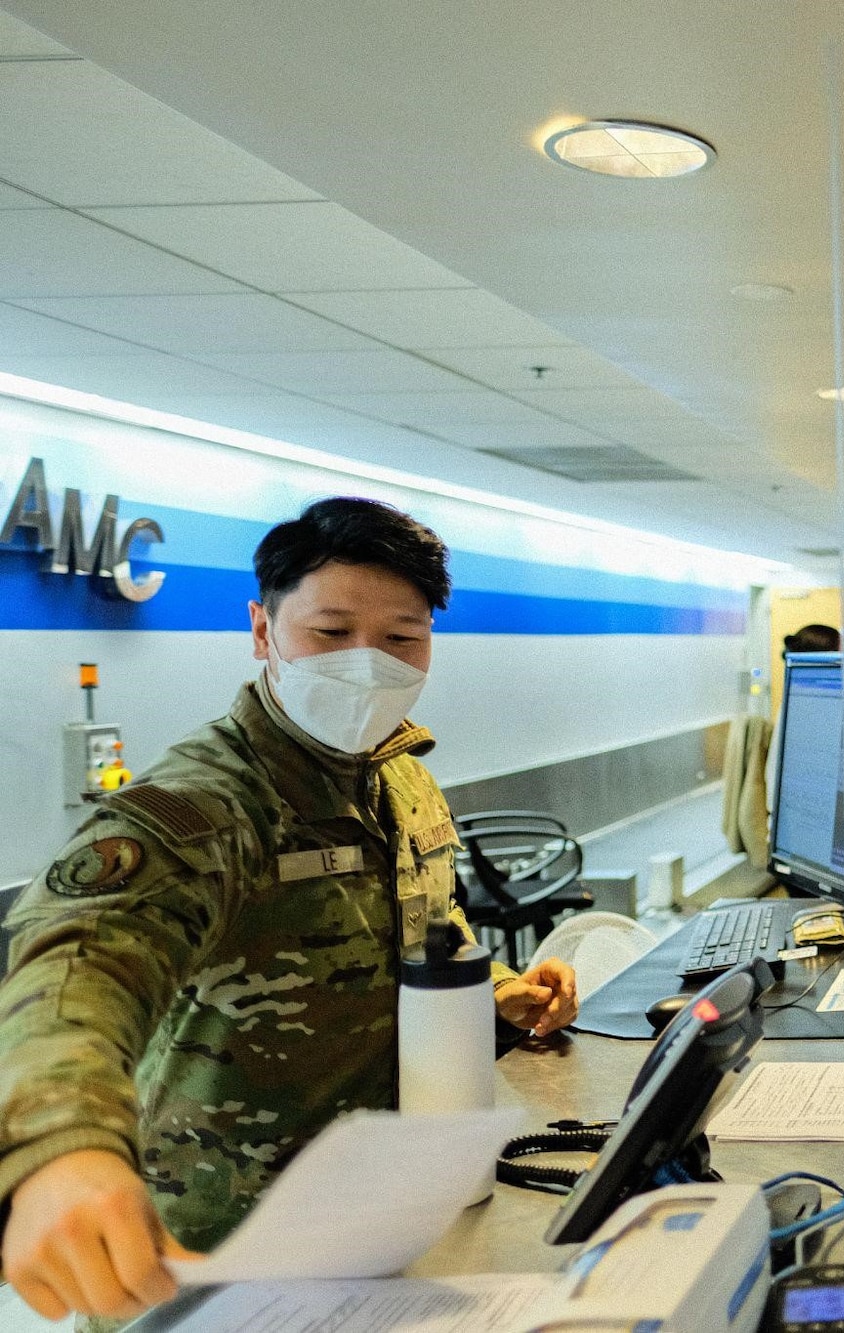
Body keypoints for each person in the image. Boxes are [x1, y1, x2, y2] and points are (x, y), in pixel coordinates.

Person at [0, 498, 580, 1327]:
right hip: (214, 1259)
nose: (367, 663)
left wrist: (493, 991)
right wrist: (61, 1148)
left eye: (401, 638)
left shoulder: (398, 774)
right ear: (263, 630)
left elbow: (413, 932)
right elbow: (74, 968)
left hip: (379, 1229)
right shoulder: (207, 805)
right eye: (331, 632)